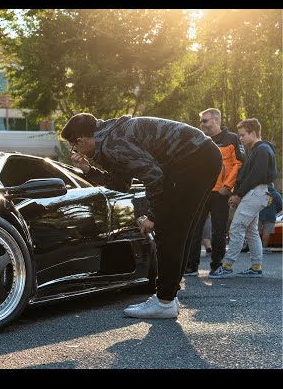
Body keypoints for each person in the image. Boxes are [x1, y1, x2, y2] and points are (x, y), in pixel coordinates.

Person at [61, 113, 222, 319]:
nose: (74, 151)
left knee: (169, 231)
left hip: (193, 159)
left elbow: (154, 176)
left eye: (73, 146)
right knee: (178, 230)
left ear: (80, 140)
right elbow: (121, 184)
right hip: (201, 156)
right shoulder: (111, 137)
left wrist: (153, 215)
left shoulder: (112, 143)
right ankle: (168, 297)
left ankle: (164, 301)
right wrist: (87, 169)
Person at [210, 118, 277, 278]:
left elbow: (256, 175)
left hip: (256, 192)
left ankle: (226, 266)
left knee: (236, 228)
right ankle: (256, 267)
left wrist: (238, 194)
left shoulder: (261, 150)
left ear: (253, 133)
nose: (240, 139)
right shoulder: (259, 150)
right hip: (257, 193)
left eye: (242, 135)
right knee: (251, 231)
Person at [184, 108, 243, 276]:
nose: (201, 125)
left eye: (205, 121)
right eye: (201, 121)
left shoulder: (231, 138)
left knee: (218, 230)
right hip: (201, 192)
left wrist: (228, 186)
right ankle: (191, 266)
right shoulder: (200, 140)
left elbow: (239, 164)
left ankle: (216, 265)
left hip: (221, 193)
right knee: (194, 228)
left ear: (216, 121)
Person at [258, 184, 282, 253]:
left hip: (259, 214)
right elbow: (280, 205)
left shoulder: (259, 192)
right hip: (270, 215)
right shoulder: (276, 194)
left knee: (256, 232)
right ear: (272, 186)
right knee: (267, 232)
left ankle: (256, 248)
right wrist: (274, 211)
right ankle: (264, 248)